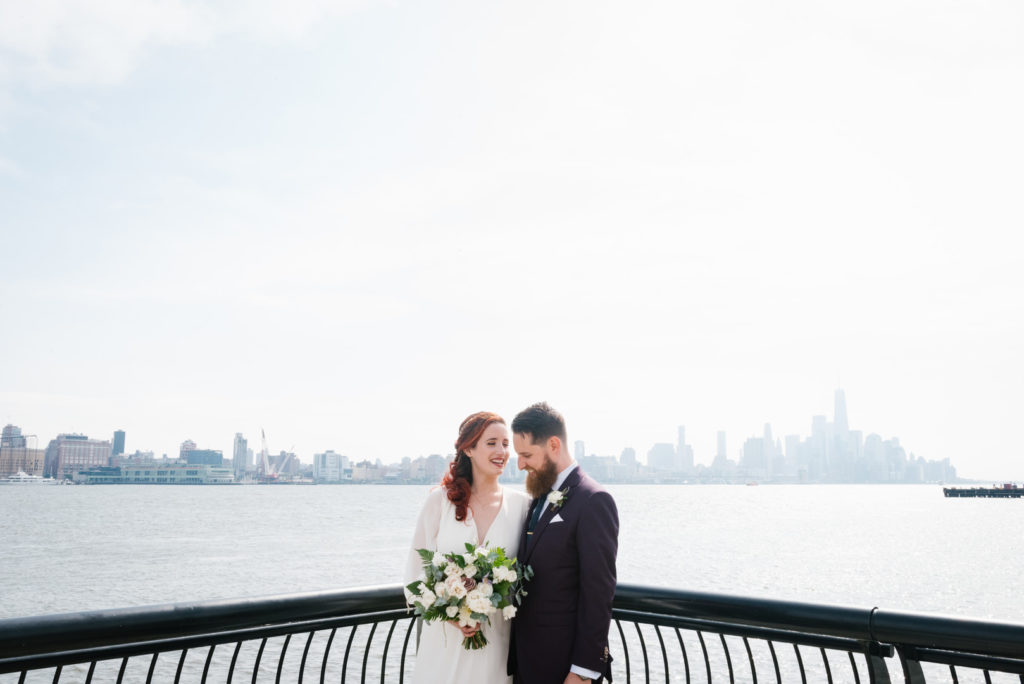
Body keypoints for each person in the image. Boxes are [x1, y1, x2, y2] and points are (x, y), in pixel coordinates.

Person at [405, 411, 531, 684]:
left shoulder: (523, 506)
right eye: (492, 443)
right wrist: (449, 613)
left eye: (506, 444)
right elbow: (414, 577)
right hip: (444, 646)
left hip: (497, 646)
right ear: (469, 449)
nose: (502, 451)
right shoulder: (439, 502)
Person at [508, 402, 619, 684]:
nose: (520, 464)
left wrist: (583, 672)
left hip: (564, 669)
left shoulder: (593, 500)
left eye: (526, 454)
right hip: (527, 663)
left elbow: (598, 592)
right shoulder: (538, 498)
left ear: (554, 445)